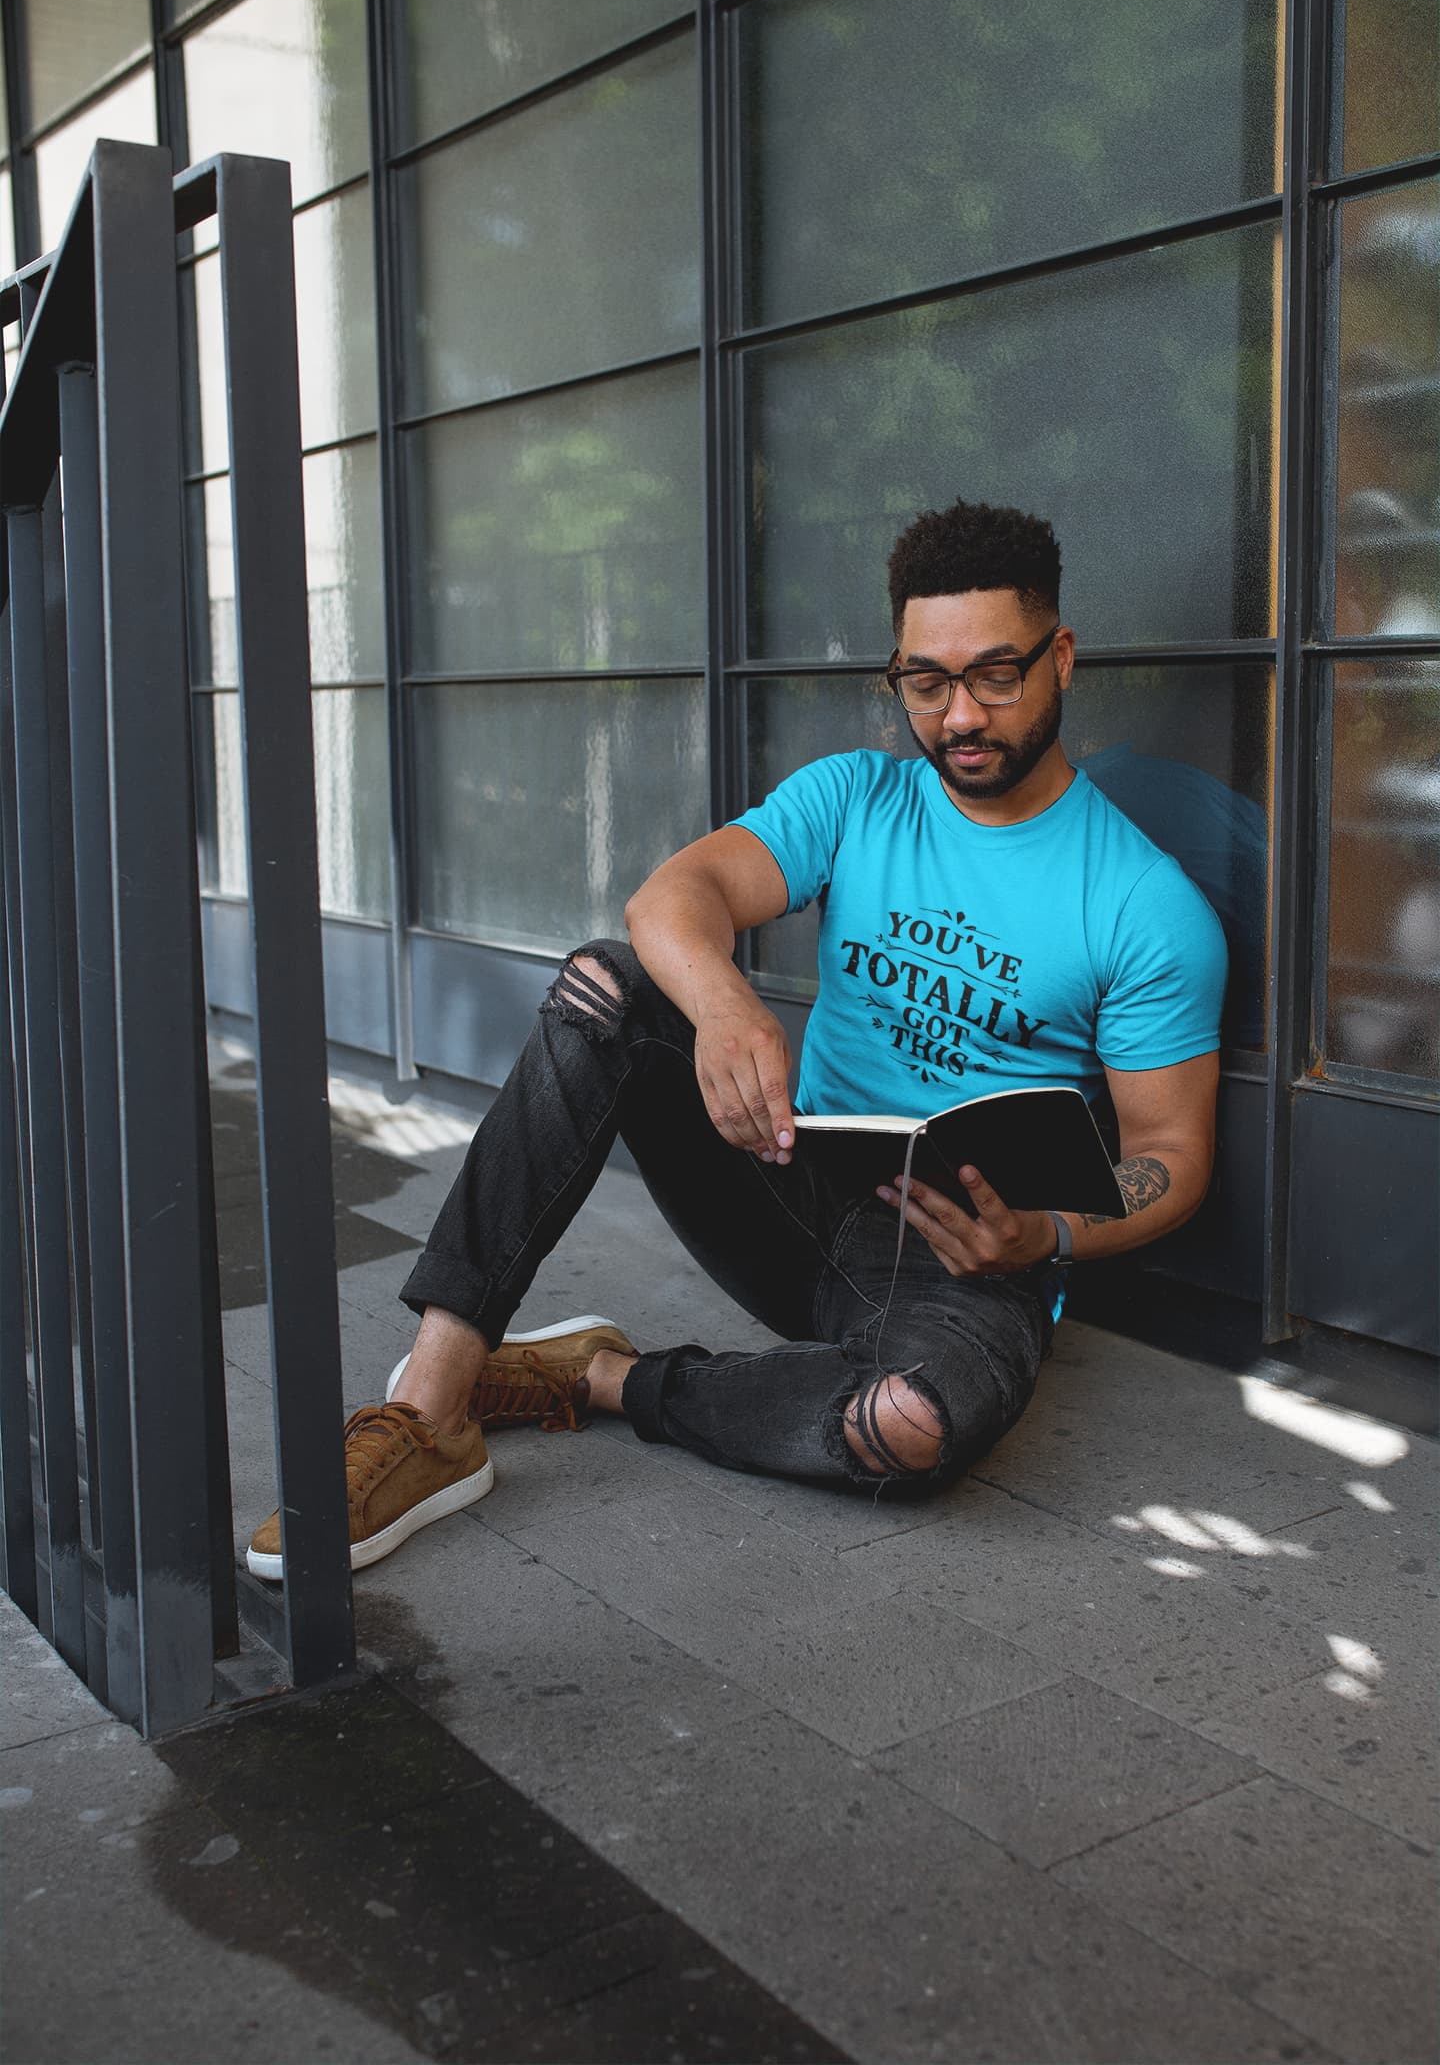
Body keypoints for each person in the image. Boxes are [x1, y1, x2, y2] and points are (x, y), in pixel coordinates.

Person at [247, 497, 1227, 1580]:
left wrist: (1041, 1235)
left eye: (995, 675)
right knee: (607, 986)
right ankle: (431, 1412)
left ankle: (597, 1379)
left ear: (1062, 658)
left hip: (967, 1264)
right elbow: (672, 897)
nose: (958, 716)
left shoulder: (1143, 904)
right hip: (792, 1190)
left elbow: (1170, 1158)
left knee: (907, 1427)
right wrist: (723, 1004)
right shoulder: (857, 797)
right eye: (925, 682)